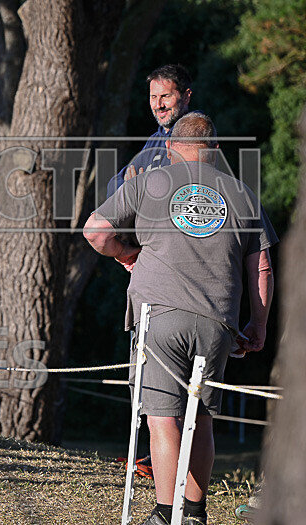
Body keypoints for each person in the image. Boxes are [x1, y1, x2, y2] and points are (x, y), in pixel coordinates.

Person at [83, 113, 276, 525]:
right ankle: (194, 513)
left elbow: (96, 231)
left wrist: (125, 255)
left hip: (160, 315)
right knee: (201, 418)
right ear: (216, 150)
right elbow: (261, 268)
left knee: (162, 416)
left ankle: (164, 513)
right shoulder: (242, 194)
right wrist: (257, 325)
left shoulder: (148, 183)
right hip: (217, 319)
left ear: (170, 148)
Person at [107, 64, 196, 197]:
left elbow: (176, 192)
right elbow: (113, 186)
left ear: (186, 97)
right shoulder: (155, 139)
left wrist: (136, 190)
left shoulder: (197, 134)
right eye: (153, 97)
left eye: (165, 96)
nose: (158, 105)